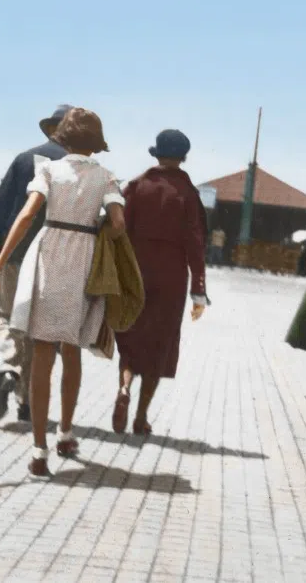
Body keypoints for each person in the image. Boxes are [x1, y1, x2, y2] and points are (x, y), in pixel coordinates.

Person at [0, 108, 124, 476]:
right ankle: (65, 432)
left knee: (43, 353)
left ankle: (38, 450)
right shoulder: (106, 177)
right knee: (72, 349)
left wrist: (0, 262)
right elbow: (118, 223)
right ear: (96, 141)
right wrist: (96, 229)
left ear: (63, 136)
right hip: (83, 261)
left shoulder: (48, 170)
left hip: (48, 257)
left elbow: (25, 217)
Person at [113, 129, 208, 436]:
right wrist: (199, 290)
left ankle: (124, 388)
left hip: (135, 273)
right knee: (158, 345)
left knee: (130, 338)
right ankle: (141, 417)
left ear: (156, 153)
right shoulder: (188, 194)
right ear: (183, 157)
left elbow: (119, 230)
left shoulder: (136, 186)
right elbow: (195, 244)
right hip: (171, 279)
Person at [0, 105, 73, 423]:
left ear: (50, 129)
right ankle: (27, 403)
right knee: (38, 330)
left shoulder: (23, 159)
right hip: (55, 259)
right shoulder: (79, 167)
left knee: (8, 317)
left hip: (16, 253)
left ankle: (5, 369)